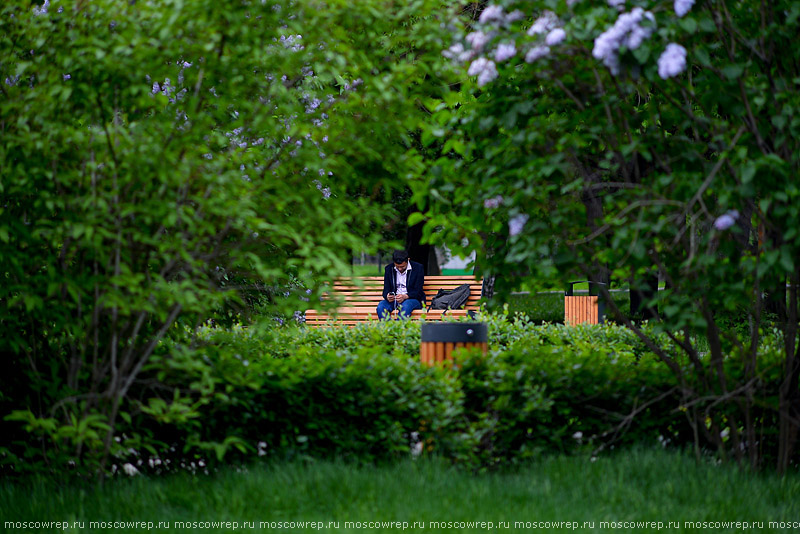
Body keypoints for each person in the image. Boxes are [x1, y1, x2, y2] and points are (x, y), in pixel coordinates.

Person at [376, 250, 425, 320]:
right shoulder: (389, 269)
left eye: (402, 267)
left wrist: (405, 296)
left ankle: (397, 329)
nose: (400, 269)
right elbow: (386, 290)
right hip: (394, 300)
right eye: (397, 266)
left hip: (412, 299)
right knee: (381, 306)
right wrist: (387, 296)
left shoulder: (417, 268)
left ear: (408, 260)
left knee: (406, 306)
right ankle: (390, 328)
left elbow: (418, 291)